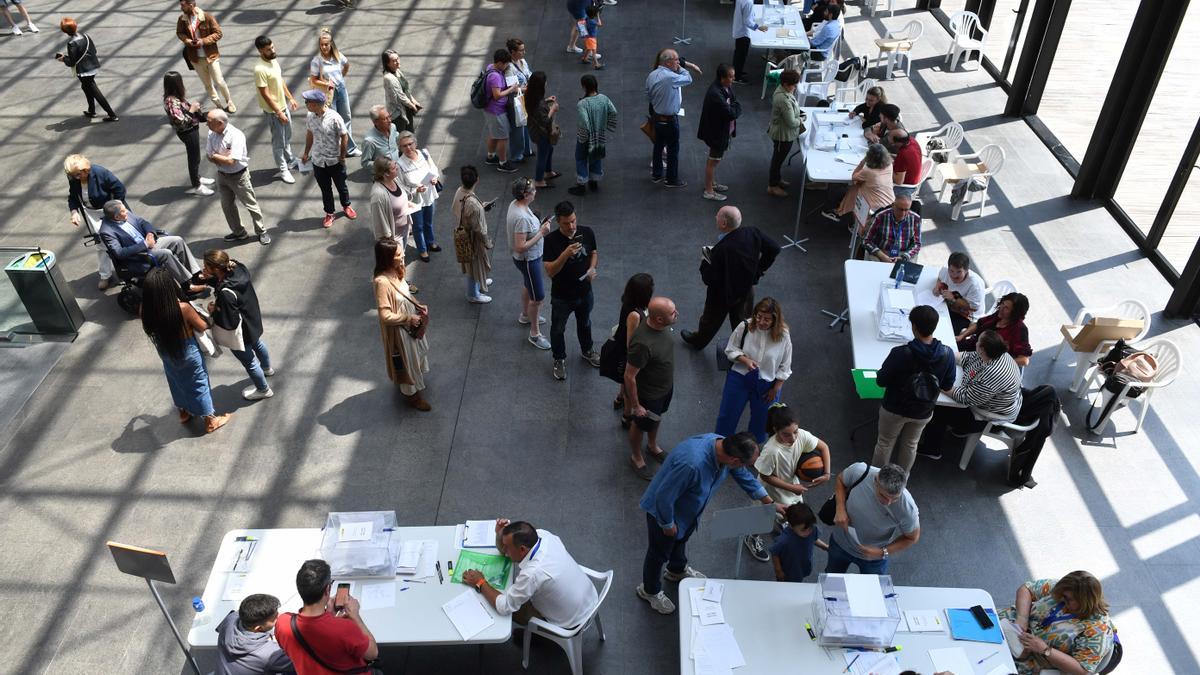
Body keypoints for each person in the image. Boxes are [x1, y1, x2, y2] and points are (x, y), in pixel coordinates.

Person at [637, 432, 783, 614]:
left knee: (681, 540)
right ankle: (649, 590)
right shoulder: (692, 464)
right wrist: (667, 524)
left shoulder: (724, 445)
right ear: (735, 461)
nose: (745, 468)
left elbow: (742, 475)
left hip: (688, 510)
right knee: (658, 553)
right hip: (664, 512)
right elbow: (663, 497)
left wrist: (769, 502)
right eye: (745, 464)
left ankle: (676, 570)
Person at [139, 268, 231, 434]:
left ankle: (184, 411)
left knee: (175, 379)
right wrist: (208, 313)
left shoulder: (144, 309)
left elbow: (149, 329)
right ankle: (210, 420)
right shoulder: (182, 308)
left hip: (165, 351)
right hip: (187, 350)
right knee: (198, 382)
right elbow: (203, 326)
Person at [462, 519, 599, 628]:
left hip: (569, 621)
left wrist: (480, 582)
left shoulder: (531, 574)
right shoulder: (544, 535)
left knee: (501, 610)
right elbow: (505, 553)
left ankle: (545, 637)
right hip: (589, 598)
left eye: (507, 547)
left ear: (522, 549)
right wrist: (500, 535)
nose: (504, 550)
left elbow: (504, 606)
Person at [871, 305, 956, 473]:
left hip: (894, 408)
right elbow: (947, 385)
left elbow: (881, 380)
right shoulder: (947, 354)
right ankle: (901, 481)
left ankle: (876, 478)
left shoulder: (900, 353)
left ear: (914, 326)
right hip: (923, 411)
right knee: (911, 444)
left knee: (885, 442)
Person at [681, 206, 781, 350]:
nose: (715, 217)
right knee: (743, 322)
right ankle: (743, 349)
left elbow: (708, 278)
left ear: (724, 224)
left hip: (721, 295)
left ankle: (699, 341)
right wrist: (758, 271)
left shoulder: (722, 250)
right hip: (745, 289)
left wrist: (704, 262)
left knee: (710, 321)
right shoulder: (753, 233)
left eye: (718, 216)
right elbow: (774, 249)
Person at [917, 330, 1023, 460]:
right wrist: (941, 355)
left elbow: (965, 398)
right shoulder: (996, 353)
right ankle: (956, 431)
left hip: (983, 416)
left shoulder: (992, 374)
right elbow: (967, 357)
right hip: (985, 400)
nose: (975, 341)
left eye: (978, 341)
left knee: (938, 409)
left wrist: (937, 383)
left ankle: (932, 449)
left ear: (982, 349)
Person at [745, 404, 830, 561]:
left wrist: (826, 473)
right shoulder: (771, 450)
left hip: (791, 488)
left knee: (788, 513)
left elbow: (824, 447)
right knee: (760, 519)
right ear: (776, 429)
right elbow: (765, 476)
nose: (793, 438)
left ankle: (781, 522)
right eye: (786, 434)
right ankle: (752, 536)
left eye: (795, 432)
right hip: (770, 491)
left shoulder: (801, 435)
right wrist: (792, 487)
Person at [997, 572, 1116, 675]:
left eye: (1067, 599)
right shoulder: (1064, 590)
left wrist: (1044, 649)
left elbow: (1083, 670)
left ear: (1084, 602)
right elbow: (1027, 588)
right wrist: (1022, 618)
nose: (1060, 598)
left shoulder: (1098, 630)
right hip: (1012, 626)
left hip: (1035, 659)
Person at [274, 559, 379, 674]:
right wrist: (355, 615)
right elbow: (372, 654)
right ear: (327, 590)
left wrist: (328, 615)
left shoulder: (282, 622)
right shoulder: (345, 628)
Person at [197, 249, 274, 402]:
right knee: (258, 344)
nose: (204, 269)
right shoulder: (238, 268)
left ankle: (263, 389)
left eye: (206, 267)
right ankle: (267, 368)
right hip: (252, 320)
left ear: (217, 269)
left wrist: (213, 310)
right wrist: (209, 279)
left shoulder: (226, 293)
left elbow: (229, 321)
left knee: (249, 362)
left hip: (241, 331)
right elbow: (225, 282)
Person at [715, 297, 792, 443]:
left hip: (767, 385)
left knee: (761, 423)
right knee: (727, 417)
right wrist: (745, 360)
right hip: (740, 378)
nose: (761, 322)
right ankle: (720, 447)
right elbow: (730, 349)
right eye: (759, 317)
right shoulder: (745, 326)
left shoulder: (783, 335)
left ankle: (752, 453)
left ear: (775, 320)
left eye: (767, 319)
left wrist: (775, 389)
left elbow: (785, 365)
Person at [542, 201, 600, 380]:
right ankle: (559, 359)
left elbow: (594, 253)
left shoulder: (587, 232)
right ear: (558, 221)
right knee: (558, 329)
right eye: (567, 223)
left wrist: (592, 268)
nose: (571, 226)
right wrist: (565, 255)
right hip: (562, 296)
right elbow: (550, 271)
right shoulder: (551, 241)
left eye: (573, 221)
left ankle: (587, 350)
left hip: (585, 291)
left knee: (585, 323)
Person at [828, 462, 919, 574]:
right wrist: (840, 508)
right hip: (841, 543)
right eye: (883, 496)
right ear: (875, 481)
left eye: (895, 499)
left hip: (874, 557)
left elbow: (912, 537)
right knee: (832, 579)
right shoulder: (859, 471)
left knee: (872, 590)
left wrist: (882, 552)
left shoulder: (907, 508)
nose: (888, 503)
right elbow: (840, 479)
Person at [372, 238, 431, 411]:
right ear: (387, 258)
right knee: (407, 363)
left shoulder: (398, 270)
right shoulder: (381, 282)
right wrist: (408, 318)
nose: (402, 254)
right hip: (400, 333)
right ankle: (412, 396)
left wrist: (418, 305)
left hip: (411, 325)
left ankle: (413, 384)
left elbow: (405, 293)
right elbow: (384, 315)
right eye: (398, 254)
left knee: (417, 356)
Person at [624, 296, 678, 480]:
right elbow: (629, 376)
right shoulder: (642, 344)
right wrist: (636, 405)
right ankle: (636, 456)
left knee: (657, 417)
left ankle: (652, 446)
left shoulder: (662, 326)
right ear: (660, 319)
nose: (677, 314)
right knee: (640, 425)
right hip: (649, 395)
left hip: (664, 387)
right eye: (673, 313)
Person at [99, 201, 202, 287]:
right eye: (123, 211)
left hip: (150, 242)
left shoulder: (124, 213)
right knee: (166, 253)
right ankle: (187, 285)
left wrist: (150, 234)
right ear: (116, 217)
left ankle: (196, 274)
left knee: (177, 240)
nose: (127, 211)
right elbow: (119, 253)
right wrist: (145, 244)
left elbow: (143, 222)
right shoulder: (106, 231)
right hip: (139, 256)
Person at [206, 110, 270, 245]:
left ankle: (261, 231)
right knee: (227, 206)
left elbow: (231, 161)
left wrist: (216, 156)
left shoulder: (236, 135)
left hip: (239, 177)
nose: (207, 124)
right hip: (222, 176)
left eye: (209, 122)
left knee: (251, 205)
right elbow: (208, 155)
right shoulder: (211, 133)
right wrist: (222, 157)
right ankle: (239, 233)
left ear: (219, 123)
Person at [64, 154, 125, 289]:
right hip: (92, 214)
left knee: (120, 240)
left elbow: (119, 189)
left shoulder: (100, 172)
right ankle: (105, 275)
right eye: (73, 175)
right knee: (101, 244)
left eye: (78, 174)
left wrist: (115, 210)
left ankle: (126, 271)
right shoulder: (73, 179)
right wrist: (74, 212)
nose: (76, 178)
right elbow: (73, 197)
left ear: (86, 170)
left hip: (110, 211)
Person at [507, 178, 553, 350]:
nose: (535, 192)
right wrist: (542, 232)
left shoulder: (515, 204)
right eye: (533, 190)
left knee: (528, 284)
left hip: (528, 260)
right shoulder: (522, 218)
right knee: (538, 297)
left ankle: (526, 315)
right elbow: (520, 247)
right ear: (525, 195)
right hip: (528, 260)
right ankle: (535, 334)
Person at [300, 89, 356, 229]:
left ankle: (346, 205)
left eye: (308, 102)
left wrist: (342, 156)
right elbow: (309, 133)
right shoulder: (310, 116)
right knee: (325, 189)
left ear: (316, 104)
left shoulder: (335, 117)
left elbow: (344, 136)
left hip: (334, 160)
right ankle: (330, 213)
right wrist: (306, 152)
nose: (305, 104)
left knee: (341, 186)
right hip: (318, 161)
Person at [647, 49, 702, 188]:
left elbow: (647, 95)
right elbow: (688, 79)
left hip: (656, 116)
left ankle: (657, 174)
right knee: (673, 149)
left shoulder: (652, 75)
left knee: (658, 146)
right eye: (676, 60)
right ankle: (671, 179)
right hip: (669, 120)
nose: (678, 62)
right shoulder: (670, 77)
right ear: (668, 62)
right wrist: (682, 68)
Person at [367, 157, 420, 293]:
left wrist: (410, 200)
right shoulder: (378, 195)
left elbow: (400, 198)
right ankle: (397, 287)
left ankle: (399, 282)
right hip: (392, 237)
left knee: (400, 261)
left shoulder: (393, 180)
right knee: (394, 262)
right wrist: (389, 242)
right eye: (394, 168)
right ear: (385, 173)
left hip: (402, 231)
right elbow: (379, 223)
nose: (397, 168)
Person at [253, 35, 299, 185]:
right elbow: (264, 93)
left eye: (272, 47)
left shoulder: (273, 60)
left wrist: (290, 97)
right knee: (278, 141)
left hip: (283, 106)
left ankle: (290, 160)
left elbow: (280, 80)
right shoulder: (259, 69)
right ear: (260, 51)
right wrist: (279, 112)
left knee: (288, 134)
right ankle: (283, 168)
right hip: (274, 111)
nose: (272, 50)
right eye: (268, 49)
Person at [308, 28, 360, 158]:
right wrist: (327, 84)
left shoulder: (338, 56)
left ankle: (350, 148)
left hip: (341, 89)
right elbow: (313, 80)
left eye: (326, 44)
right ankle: (336, 149)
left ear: (331, 44)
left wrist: (340, 78)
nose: (324, 47)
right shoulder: (316, 61)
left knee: (346, 117)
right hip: (328, 92)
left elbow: (346, 65)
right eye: (322, 45)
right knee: (334, 120)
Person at [175, 1, 234, 113]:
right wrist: (187, 40)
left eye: (183, 5)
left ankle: (229, 102)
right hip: (195, 58)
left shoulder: (206, 17)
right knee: (207, 84)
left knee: (219, 81)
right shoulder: (182, 19)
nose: (181, 7)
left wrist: (203, 41)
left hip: (211, 56)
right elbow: (179, 32)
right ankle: (218, 105)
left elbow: (218, 33)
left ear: (191, 5)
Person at [163, 71, 215, 197]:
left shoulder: (175, 98)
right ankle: (197, 185)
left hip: (190, 130)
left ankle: (197, 177)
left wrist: (194, 109)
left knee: (195, 156)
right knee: (193, 158)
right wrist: (192, 110)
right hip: (187, 131)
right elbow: (180, 121)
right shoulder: (171, 101)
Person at [215, 594, 294, 675]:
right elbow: (299, 663)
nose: (280, 616)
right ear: (258, 628)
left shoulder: (230, 619)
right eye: (275, 618)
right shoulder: (269, 654)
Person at [611, 273, 655, 421]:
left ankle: (619, 398)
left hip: (622, 347)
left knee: (624, 379)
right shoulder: (635, 315)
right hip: (627, 352)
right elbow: (631, 341)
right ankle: (627, 415)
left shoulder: (629, 304)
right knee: (630, 379)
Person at [56, 17, 118, 121]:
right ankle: (92, 111)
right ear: (75, 26)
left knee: (95, 92)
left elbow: (72, 62)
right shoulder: (86, 36)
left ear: (65, 32)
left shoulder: (72, 44)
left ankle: (112, 115)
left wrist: (63, 59)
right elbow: (94, 50)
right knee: (85, 88)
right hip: (93, 66)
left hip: (84, 71)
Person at [697, 64, 741, 202]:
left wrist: (734, 107)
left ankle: (712, 184)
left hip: (721, 131)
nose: (733, 79)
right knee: (713, 160)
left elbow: (734, 103)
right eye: (731, 76)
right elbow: (732, 112)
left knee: (715, 159)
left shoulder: (725, 87)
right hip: (717, 133)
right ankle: (709, 190)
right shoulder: (715, 94)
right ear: (722, 78)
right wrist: (736, 108)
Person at [451, 165, 495, 304]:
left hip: (462, 231)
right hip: (472, 239)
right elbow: (479, 229)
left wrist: (481, 207)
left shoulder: (460, 191)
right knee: (474, 266)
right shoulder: (474, 205)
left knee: (473, 265)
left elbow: (456, 209)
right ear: (477, 180)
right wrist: (487, 242)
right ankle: (473, 294)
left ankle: (479, 281)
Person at [569, 74, 618, 196]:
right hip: (599, 134)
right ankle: (594, 181)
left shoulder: (582, 104)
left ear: (584, 86)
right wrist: (606, 125)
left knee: (580, 158)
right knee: (596, 156)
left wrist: (585, 135)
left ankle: (581, 184)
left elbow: (584, 122)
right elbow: (613, 111)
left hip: (585, 136)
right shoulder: (604, 98)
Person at [396, 131, 442, 262]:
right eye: (404, 146)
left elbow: (433, 168)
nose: (408, 148)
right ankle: (422, 250)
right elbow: (401, 185)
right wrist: (415, 189)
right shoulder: (400, 164)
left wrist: (435, 178)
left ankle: (431, 242)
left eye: (410, 144)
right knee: (418, 226)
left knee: (428, 221)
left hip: (429, 194)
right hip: (415, 199)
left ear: (415, 143)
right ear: (400, 147)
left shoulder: (424, 153)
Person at [958, 292, 1033, 367]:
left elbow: (1024, 360)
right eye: (1002, 303)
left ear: (1015, 313)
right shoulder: (999, 315)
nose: (1001, 307)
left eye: (1006, 308)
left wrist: (996, 364)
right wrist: (962, 336)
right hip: (973, 346)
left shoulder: (1019, 329)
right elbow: (978, 324)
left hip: (983, 361)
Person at [823, 143, 894, 222]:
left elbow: (853, 176)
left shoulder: (868, 171)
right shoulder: (889, 165)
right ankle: (842, 210)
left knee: (856, 187)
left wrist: (863, 161)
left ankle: (842, 212)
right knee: (858, 185)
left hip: (875, 206)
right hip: (890, 201)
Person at [766, 68, 803, 198]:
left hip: (784, 133)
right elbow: (792, 122)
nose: (795, 88)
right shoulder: (783, 99)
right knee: (777, 160)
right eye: (794, 85)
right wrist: (801, 119)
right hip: (783, 135)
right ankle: (772, 186)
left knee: (779, 159)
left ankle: (777, 180)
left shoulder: (783, 91)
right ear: (786, 84)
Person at [483, 49, 521, 173]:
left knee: (493, 133)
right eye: (505, 64)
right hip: (496, 111)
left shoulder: (490, 67)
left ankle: (490, 156)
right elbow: (497, 95)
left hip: (490, 109)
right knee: (503, 137)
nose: (506, 66)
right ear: (499, 63)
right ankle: (502, 163)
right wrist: (512, 89)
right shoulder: (495, 76)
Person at [771, 503, 828, 583]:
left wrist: (825, 547)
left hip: (804, 564)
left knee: (799, 578)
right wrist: (778, 570)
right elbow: (774, 552)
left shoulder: (813, 529)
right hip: (790, 569)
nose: (808, 532)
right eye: (803, 530)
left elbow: (813, 539)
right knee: (789, 584)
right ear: (791, 526)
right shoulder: (784, 540)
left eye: (810, 527)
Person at [933, 252, 986, 334]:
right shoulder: (945, 270)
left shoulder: (975, 284)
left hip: (966, 316)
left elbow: (974, 308)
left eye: (959, 272)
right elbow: (940, 278)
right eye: (951, 271)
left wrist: (953, 299)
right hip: (947, 306)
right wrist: (937, 286)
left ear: (966, 270)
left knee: (942, 331)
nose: (954, 275)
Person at [525, 71, 561, 189]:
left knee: (549, 149)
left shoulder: (530, 95)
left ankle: (548, 171)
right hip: (541, 133)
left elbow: (537, 105)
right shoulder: (539, 104)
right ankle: (539, 179)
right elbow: (545, 121)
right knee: (543, 154)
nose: (546, 83)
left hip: (534, 128)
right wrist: (552, 109)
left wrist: (546, 100)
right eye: (545, 82)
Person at [862, 193, 921, 262]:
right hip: (881, 252)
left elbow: (917, 244)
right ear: (893, 205)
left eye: (906, 210)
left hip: (903, 253)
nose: (903, 214)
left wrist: (904, 257)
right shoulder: (880, 216)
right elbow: (866, 240)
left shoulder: (916, 219)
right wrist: (880, 255)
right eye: (900, 209)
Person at [505, 38, 534, 162]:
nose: (524, 52)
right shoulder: (509, 68)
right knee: (518, 127)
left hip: (525, 98)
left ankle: (527, 149)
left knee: (526, 124)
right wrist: (528, 88)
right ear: (512, 52)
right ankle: (517, 155)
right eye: (521, 50)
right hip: (516, 100)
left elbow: (529, 73)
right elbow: (512, 88)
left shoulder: (522, 61)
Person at [380, 49, 421, 133]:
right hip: (398, 113)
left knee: (409, 132)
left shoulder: (397, 71)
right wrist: (412, 106)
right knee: (401, 135)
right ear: (387, 64)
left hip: (406, 108)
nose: (398, 62)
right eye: (394, 61)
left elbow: (405, 89)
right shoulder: (388, 78)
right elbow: (400, 95)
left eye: (398, 58)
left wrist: (413, 101)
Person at [731, 0, 769, 84]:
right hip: (743, 33)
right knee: (741, 55)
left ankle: (736, 71)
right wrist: (758, 27)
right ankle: (737, 77)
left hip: (739, 30)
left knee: (738, 53)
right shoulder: (748, 2)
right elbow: (747, 21)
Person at [891, 129, 923, 195]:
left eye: (892, 143)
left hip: (906, 187)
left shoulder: (903, 154)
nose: (892, 144)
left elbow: (898, 181)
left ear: (898, 143)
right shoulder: (912, 141)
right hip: (914, 177)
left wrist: (887, 166)